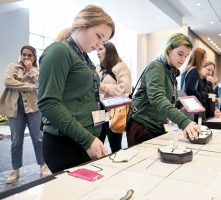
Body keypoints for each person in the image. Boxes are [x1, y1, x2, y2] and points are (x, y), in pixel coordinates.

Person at [37, 5, 115, 173]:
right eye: (98, 36)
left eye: (103, 41)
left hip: (84, 139)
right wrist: (87, 139)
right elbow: (49, 103)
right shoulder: (59, 52)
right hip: (67, 143)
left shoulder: (82, 55)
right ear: (83, 23)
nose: (99, 45)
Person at [126, 33, 201, 147]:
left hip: (156, 126)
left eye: (186, 56)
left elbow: (168, 100)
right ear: (169, 49)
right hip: (142, 126)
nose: (183, 59)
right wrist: (183, 122)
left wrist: (180, 107)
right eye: (180, 54)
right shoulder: (156, 67)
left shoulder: (170, 73)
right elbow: (157, 98)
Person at [0, 45, 48, 184]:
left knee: (38, 139)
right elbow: (8, 82)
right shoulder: (12, 67)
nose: (26, 57)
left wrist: (30, 71)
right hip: (15, 109)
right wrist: (29, 86)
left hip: (34, 108)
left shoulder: (38, 71)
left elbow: (40, 85)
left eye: (29, 55)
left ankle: (42, 165)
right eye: (24, 55)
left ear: (34, 57)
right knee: (16, 141)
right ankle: (15, 170)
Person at [97, 42, 132, 153]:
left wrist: (103, 87)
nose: (97, 52)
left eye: (100, 49)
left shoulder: (121, 66)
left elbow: (125, 89)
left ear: (109, 50)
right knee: (98, 144)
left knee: (115, 146)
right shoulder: (99, 68)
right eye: (97, 50)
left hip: (115, 110)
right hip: (99, 110)